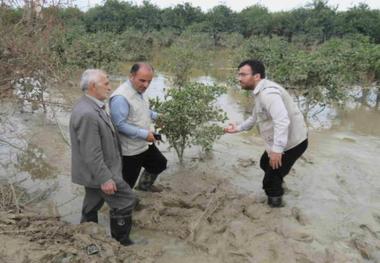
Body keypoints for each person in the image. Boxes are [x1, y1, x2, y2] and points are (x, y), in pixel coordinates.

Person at [224, 59, 308, 208]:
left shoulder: (268, 93)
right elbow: (256, 117)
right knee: (265, 163)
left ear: (256, 76)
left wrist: (277, 150)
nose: (239, 79)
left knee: (270, 181)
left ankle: (275, 209)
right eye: (239, 75)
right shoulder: (260, 92)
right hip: (284, 141)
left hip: (293, 143)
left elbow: (282, 121)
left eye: (243, 75)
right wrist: (237, 128)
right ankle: (279, 183)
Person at [69, 69, 137, 245]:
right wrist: (105, 179)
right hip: (102, 171)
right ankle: (122, 242)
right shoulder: (87, 113)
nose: (110, 87)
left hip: (95, 172)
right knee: (126, 200)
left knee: (92, 205)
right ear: (93, 86)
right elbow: (91, 152)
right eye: (106, 83)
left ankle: (87, 238)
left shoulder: (93, 105)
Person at [109, 63, 167, 192]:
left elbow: (143, 110)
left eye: (149, 81)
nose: (146, 85)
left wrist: (157, 116)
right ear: (131, 76)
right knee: (126, 183)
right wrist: (144, 134)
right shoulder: (120, 97)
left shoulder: (140, 90)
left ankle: (144, 187)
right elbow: (119, 125)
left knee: (159, 163)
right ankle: (121, 208)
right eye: (142, 80)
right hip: (129, 150)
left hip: (144, 143)